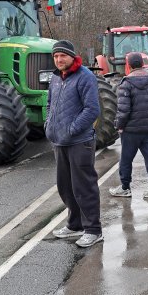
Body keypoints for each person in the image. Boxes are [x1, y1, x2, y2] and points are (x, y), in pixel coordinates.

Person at [46, 40, 104, 248]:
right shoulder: (55, 78)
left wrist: (71, 129)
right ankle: (75, 225)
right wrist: (48, 125)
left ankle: (93, 229)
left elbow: (92, 110)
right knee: (66, 186)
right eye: (56, 56)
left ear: (72, 56)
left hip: (80, 141)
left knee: (84, 186)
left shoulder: (85, 77)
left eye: (62, 55)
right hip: (59, 141)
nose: (59, 59)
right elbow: (50, 104)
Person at [109, 52, 148, 200]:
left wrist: (119, 125)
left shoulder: (125, 84)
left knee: (126, 159)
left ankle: (125, 188)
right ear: (142, 63)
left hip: (131, 131)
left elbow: (123, 110)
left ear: (129, 65)